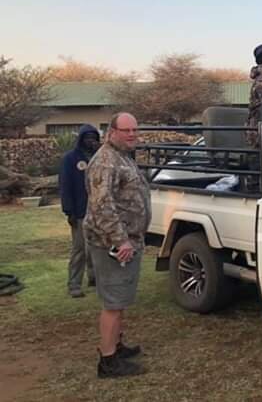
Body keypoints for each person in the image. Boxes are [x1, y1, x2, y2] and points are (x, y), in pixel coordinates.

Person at [84, 112, 150, 378]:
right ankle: (108, 361)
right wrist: (120, 239)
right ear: (111, 131)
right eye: (126, 130)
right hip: (112, 243)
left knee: (120, 299)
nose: (132, 134)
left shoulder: (122, 156)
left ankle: (116, 345)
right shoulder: (105, 161)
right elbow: (102, 205)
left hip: (129, 240)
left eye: (135, 130)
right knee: (113, 302)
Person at [59, 124, 100, 298]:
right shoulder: (70, 158)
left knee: (97, 248)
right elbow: (65, 186)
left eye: (93, 137)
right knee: (80, 249)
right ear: (81, 139)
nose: (90, 140)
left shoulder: (100, 158)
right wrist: (69, 212)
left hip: (100, 211)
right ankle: (74, 283)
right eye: (87, 137)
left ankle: (94, 278)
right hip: (80, 211)